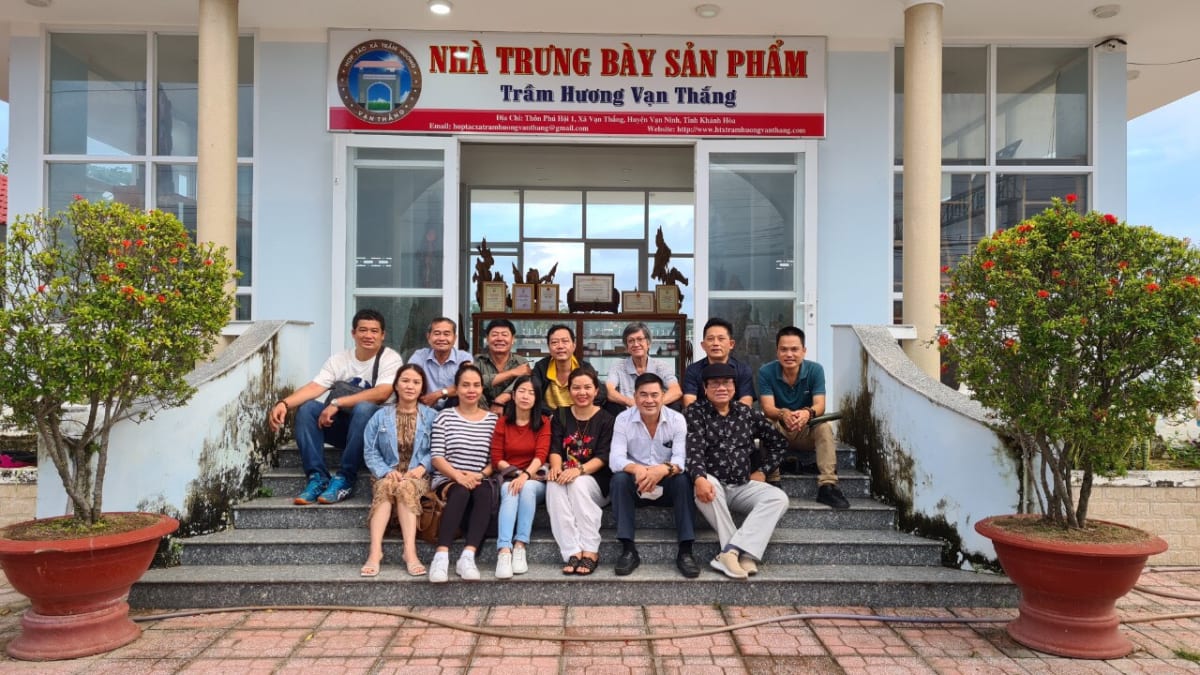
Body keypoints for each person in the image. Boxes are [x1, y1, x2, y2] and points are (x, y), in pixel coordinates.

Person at [268, 308, 403, 505]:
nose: (368, 335)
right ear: (353, 333)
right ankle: (317, 477)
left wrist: (337, 403)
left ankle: (345, 478)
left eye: (374, 331)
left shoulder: (390, 358)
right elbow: (315, 387)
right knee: (307, 409)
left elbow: (382, 393)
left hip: (374, 434)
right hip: (346, 430)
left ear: (383, 335)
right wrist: (284, 403)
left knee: (364, 408)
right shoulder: (339, 360)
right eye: (363, 330)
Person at [686, 362, 791, 579]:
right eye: (715, 384)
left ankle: (731, 552)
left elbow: (780, 442)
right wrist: (698, 478)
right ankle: (741, 554)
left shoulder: (746, 413)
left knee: (778, 498)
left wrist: (763, 471)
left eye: (726, 383)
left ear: (734, 387)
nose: (721, 388)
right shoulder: (695, 412)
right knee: (708, 483)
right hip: (710, 485)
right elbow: (693, 451)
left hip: (742, 485)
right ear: (705, 388)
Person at [609, 373, 698, 578]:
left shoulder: (677, 419)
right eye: (643, 395)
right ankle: (628, 549)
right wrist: (638, 469)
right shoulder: (623, 419)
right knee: (619, 479)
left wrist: (661, 470)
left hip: (666, 483)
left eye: (654, 395)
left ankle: (686, 551)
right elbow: (615, 459)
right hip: (637, 483)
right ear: (635, 396)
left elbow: (681, 459)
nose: (649, 400)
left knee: (683, 480)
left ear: (663, 396)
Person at [758, 326, 850, 510]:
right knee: (766, 423)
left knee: (824, 427)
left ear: (804, 351)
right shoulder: (766, 372)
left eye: (794, 349)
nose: (789, 354)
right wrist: (783, 413)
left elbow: (820, 405)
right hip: (780, 432)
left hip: (805, 431)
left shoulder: (815, 370)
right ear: (777, 351)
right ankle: (773, 480)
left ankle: (828, 486)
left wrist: (807, 413)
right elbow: (768, 408)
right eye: (784, 349)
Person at [359, 364, 437, 577]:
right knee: (386, 486)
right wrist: (385, 471)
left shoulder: (432, 417)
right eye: (405, 381)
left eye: (416, 382)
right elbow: (370, 450)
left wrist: (422, 467)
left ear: (422, 388)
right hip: (387, 474)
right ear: (396, 385)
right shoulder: (380, 416)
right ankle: (375, 552)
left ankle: (409, 552)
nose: (410, 386)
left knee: (405, 487)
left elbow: (439, 448)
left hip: (418, 476)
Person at [427, 364, 500, 583]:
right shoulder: (444, 417)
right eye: (466, 385)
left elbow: (494, 460)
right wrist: (459, 476)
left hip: (479, 478)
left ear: (482, 389)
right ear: (456, 389)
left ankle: (468, 556)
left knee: (484, 492)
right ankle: (441, 555)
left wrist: (480, 475)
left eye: (476, 385)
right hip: (448, 478)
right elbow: (437, 457)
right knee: (460, 491)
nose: (471, 390)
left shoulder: (492, 420)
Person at [545, 367, 614, 576]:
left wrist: (578, 470)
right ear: (569, 390)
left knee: (577, 483)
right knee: (553, 484)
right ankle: (571, 550)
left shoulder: (607, 419)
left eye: (587, 387)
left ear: (596, 391)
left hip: (596, 481)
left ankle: (590, 549)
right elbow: (555, 448)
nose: (582, 392)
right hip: (567, 474)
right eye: (576, 388)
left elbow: (604, 456)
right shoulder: (561, 414)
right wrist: (556, 468)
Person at [489, 375, 550, 579]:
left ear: (537, 398)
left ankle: (520, 545)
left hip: (535, 479)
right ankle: (504, 550)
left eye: (531, 393)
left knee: (527, 488)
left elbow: (541, 455)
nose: (526, 396)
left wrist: (525, 476)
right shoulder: (503, 423)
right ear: (513, 396)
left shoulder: (543, 423)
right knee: (510, 489)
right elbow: (497, 459)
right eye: (522, 391)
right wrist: (517, 474)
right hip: (510, 476)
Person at [530, 324, 607, 414]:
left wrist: (579, 412)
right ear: (549, 347)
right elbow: (534, 395)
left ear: (574, 346)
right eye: (554, 342)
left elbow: (600, 394)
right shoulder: (541, 367)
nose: (560, 346)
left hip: (578, 416)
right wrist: (552, 415)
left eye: (565, 341)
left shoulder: (584, 368)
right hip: (549, 417)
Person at [605, 322, 683, 410]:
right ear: (627, 347)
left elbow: (676, 390)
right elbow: (609, 391)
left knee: (675, 405)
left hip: (656, 413)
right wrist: (631, 403)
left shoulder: (661, 366)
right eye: (631, 341)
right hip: (628, 413)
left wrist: (653, 404)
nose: (636, 344)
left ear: (648, 343)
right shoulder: (618, 366)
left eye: (640, 339)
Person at [681, 317, 756, 408]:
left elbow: (746, 401)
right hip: (700, 416)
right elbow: (689, 401)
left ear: (731, 344)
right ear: (703, 345)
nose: (715, 343)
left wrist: (727, 415)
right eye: (710, 339)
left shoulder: (743, 370)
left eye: (721, 339)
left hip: (736, 416)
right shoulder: (693, 370)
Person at [407, 317, 473, 409]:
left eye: (446, 334)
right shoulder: (419, 356)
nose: (441, 338)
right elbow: (409, 380)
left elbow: (467, 385)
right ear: (428, 337)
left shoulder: (464, 358)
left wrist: (438, 394)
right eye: (437, 333)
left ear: (454, 338)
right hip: (424, 407)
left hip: (453, 409)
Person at [476, 318, 531, 413]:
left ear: (513, 339)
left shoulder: (521, 362)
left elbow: (522, 386)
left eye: (504, 335)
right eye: (494, 335)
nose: (500, 339)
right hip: (480, 413)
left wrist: (500, 401)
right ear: (487, 339)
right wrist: (512, 373)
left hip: (513, 415)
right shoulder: (477, 361)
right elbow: (475, 382)